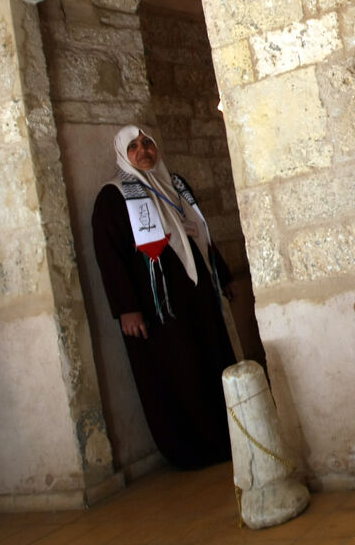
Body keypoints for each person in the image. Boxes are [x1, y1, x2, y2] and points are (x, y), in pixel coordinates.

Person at [91, 124, 235, 470]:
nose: (143, 150)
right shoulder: (114, 196)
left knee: (212, 360)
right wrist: (127, 308)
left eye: (148, 143)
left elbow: (200, 235)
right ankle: (193, 449)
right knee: (179, 371)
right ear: (122, 154)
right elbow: (110, 257)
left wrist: (222, 276)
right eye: (134, 146)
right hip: (158, 307)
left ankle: (229, 437)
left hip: (196, 294)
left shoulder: (175, 186)